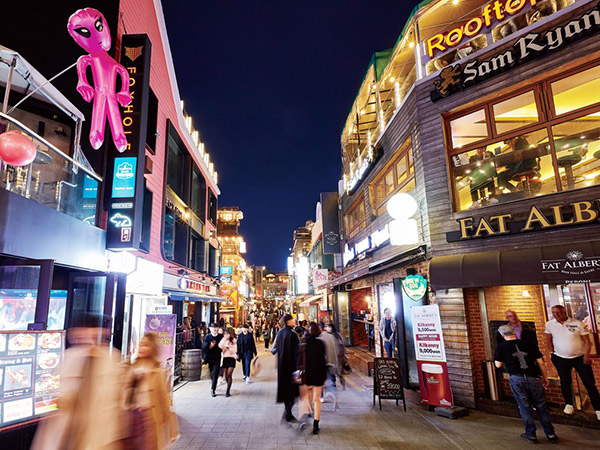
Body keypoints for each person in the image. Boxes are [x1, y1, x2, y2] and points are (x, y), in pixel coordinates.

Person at [32, 313, 126, 450]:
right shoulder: (67, 358)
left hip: (99, 436)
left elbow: (117, 402)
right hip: (67, 435)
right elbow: (54, 397)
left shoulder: (111, 360)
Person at [495, 324, 557, 444]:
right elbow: (541, 362)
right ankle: (550, 433)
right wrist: (545, 377)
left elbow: (498, 365)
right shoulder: (528, 344)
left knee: (524, 407)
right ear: (514, 332)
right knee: (541, 406)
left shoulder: (501, 346)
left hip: (516, 379)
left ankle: (531, 434)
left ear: (502, 335)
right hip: (533, 378)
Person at [124, 333, 179, 449]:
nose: (142, 348)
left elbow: (164, 402)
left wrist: (172, 430)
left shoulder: (157, 372)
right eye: (141, 345)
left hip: (148, 420)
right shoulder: (130, 368)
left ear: (152, 348)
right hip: (129, 421)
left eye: (146, 345)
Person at [545, 305, 600, 420]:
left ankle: (598, 409)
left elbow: (587, 341)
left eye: (559, 312)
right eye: (554, 312)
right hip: (560, 358)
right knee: (565, 382)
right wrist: (551, 353)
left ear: (564, 312)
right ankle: (569, 404)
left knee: (589, 383)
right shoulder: (549, 324)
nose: (556, 315)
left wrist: (587, 355)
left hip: (579, 358)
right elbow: (548, 338)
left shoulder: (577, 323)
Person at [298, 322, 327, 434]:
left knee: (307, 397)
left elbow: (299, 360)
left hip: (306, 375)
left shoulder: (303, 342)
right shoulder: (321, 343)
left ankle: (307, 414)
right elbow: (323, 360)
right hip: (318, 374)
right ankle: (316, 424)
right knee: (317, 399)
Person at [276, 313, 300, 422]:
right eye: (293, 319)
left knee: (285, 389)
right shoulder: (293, 334)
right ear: (288, 322)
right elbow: (297, 352)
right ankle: (288, 412)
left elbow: (276, 348)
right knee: (294, 390)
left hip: (282, 366)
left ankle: (288, 411)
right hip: (292, 367)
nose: (294, 321)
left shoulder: (280, 333)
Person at [318, 321, 338, 408]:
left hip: (322, 362)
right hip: (330, 362)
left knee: (320, 380)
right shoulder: (330, 336)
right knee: (329, 379)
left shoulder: (318, 338)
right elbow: (334, 350)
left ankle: (322, 396)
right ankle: (333, 397)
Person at [202, 323, 223, 397]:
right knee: (211, 372)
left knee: (216, 372)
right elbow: (204, 348)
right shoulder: (207, 337)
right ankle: (213, 382)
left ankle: (213, 389)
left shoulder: (221, 336)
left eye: (217, 328)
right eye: (214, 328)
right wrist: (210, 346)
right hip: (210, 358)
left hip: (217, 357)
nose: (215, 329)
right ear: (210, 329)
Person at [326, 323, 347, 389]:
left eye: (328, 327)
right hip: (339, 355)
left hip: (334, 355)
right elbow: (343, 344)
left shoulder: (330, 336)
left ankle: (334, 382)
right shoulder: (339, 335)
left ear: (331, 328)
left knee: (333, 369)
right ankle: (340, 382)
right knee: (339, 370)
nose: (326, 328)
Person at [219, 327, 237, 397]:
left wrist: (228, 347)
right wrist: (225, 342)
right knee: (226, 375)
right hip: (225, 358)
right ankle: (228, 385)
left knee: (229, 375)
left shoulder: (234, 341)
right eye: (225, 334)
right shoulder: (224, 339)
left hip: (232, 358)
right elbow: (220, 346)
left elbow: (235, 350)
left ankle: (228, 391)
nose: (226, 335)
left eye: (227, 334)